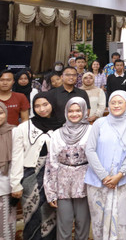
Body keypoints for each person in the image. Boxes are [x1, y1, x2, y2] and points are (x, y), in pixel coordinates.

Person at [85, 91, 126, 239]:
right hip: (97, 181)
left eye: (120, 102)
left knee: (121, 219)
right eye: (113, 102)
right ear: (108, 104)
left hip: (122, 182)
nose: (116, 105)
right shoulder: (99, 123)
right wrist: (104, 176)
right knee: (98, 221)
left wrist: (119, 175)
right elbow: (89, 150)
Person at [10, 93, 62, 239]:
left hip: (54, 178)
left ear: (52, 104)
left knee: (52, 215)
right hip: (30, 177)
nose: (42, 109)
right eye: (37, 106)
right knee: (31, 216)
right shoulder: (23, 128)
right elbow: (16, 157)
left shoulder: (62, 126)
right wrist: (15, 184)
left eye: (45, 104)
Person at [43, 97, 92, 240]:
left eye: (78, 110)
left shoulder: (92, 130)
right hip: (62, 184)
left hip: (85, 182)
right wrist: (50, 191)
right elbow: (51, 162)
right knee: (64, 224)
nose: (74, 114)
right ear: (66, 112)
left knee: (83, 224)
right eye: (70, 111)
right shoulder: (57, 133)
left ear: (84, 111)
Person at [0, 103, 16, 239]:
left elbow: (17, 160)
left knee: (7, 224)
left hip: (7, 185)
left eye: (0, 112)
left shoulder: (13, 131)